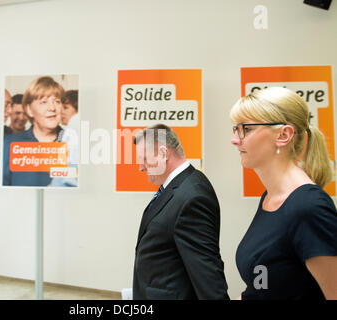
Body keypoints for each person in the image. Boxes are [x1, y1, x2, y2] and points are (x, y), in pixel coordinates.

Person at [230, 86, 337, 300]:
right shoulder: (269, 198)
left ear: (284, 135)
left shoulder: (308, 207)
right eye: (235, 129)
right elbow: (263, 288)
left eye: (246, 129)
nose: (235, 139)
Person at [133, 123, 229, 300]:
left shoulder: (192, 196)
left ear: (163, 153)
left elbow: (207, 272)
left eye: (144, 159)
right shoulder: (176, 187)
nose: (141, 167)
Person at [3, 76, 76, 187]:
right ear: (29, 110)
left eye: (57, 101)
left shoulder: (73, 143)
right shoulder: (10, 144)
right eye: (43, 102)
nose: (52, 108)